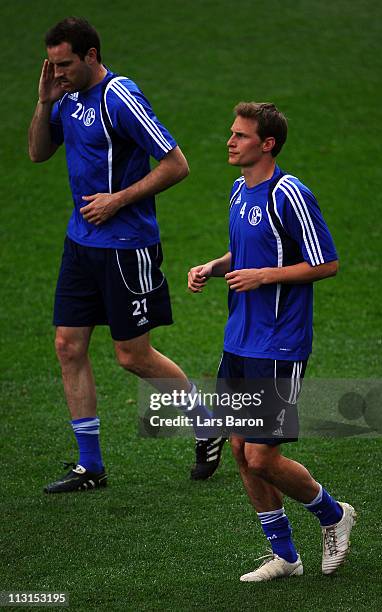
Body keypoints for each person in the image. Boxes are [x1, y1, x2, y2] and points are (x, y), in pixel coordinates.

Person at [28, 17, 223, 493]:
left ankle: (207, 420)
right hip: (81, 245)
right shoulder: (65, 97)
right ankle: (90, 466)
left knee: (132, 357)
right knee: (67, 346)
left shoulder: (120, 96)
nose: (58, 72)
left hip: (125, 246)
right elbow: (37, 153)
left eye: (66, 64)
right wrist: (43, 102)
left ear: (91, 56)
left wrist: (118, 199)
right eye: (52, 65)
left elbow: (177, 164)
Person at [188, 102, 356, 581]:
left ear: (267, 144)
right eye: (231, 133)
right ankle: (285, 555)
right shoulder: (240, 189)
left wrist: (265, 276)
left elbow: (325, 263)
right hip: (239, 338)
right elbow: (248, 248)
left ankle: (333, 515)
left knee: (263, 455)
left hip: (279, 344)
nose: (230, 141)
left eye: (240, 135)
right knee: (241, 451)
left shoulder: (290, 194)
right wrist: (215, 267)